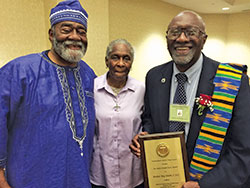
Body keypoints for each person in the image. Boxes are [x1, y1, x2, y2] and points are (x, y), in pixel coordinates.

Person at [129, 10, 250, 188]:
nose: (182, 39)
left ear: (204, 39)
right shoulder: (154, 76)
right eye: (175, 32)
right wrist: (145, 136)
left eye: (191, 32)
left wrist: (204, 185)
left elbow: (243, 149)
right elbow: (150, 118)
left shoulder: (233, 81)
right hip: (163, 181)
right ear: (167, 39)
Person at [0, 0, 96, 187]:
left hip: (79, 180)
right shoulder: (19, 71)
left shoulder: (89, 75)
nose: (75, 36)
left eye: (81, 31)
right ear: (51, 34)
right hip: (29, 179)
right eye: (66, 29)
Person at [90, 39, 145, 188]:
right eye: (115, 57)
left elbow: (148, 122)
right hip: (100, 172)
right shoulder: (91, 88)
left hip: (133, 173)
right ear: (107, 60)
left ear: (131, 63)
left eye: (126, 58)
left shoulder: (141, 89)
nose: (120, 63)